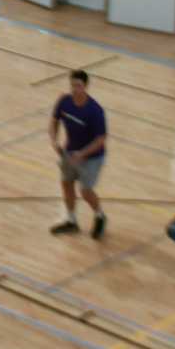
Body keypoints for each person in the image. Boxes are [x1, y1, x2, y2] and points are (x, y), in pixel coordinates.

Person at [49, 70, 107, 239]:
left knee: (86, 191)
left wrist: (82, 154)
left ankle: (100, 216)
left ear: (85, 87)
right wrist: (54, 141)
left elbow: (101, 139)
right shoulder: (64, 102)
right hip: (69, 153)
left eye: (79, 86)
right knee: (66, 184)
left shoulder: (94, 110)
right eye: (73, 85)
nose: (75, 89)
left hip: (92, 157)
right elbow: (54, 121)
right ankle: (71, 221)